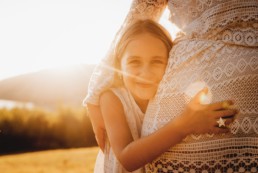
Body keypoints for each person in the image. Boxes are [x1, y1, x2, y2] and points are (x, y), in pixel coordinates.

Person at [84, 1, 258, 172]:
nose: (145, 73)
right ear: (119, 65)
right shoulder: (112, 98)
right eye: (134, 62)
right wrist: (185, 125)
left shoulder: (160, 94)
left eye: (156, 62)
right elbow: (128, 159)